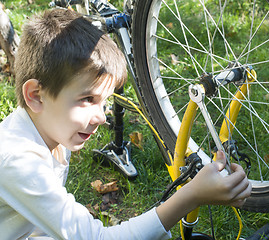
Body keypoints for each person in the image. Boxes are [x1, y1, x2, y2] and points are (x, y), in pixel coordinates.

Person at [0, 8, 251, 240]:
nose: (101, 117)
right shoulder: (18, 160)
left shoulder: (48, 129)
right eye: (87, 99)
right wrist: (191, 195)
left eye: (104, 102)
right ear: (35, 95)